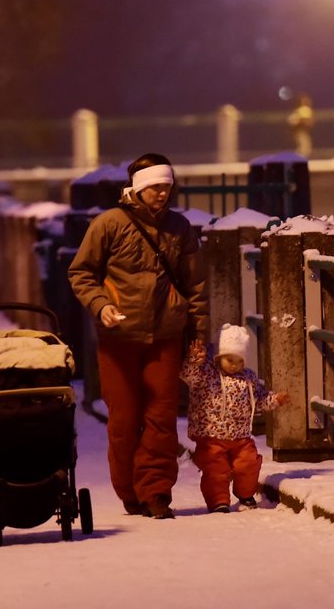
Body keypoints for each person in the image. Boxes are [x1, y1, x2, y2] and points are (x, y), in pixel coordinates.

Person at [68, 152, 208, 519]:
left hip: (165, 334)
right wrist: (100, 305)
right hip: (119, 338)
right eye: (156, 188)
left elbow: (196, 286)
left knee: (161, 418)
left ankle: (156, 491)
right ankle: (129, 490)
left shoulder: (180, 228)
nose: (163, 194)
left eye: (167, 187)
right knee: (124, 419)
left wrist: (197, 336)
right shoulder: (108, 224)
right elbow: (80, 273)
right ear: (139, 188)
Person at [180, 323, 289, 513]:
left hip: (241, 436)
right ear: (219, 357)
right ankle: (218, 501)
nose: (234, 365)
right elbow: (188, 375)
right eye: (229, 359)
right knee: (215, 469)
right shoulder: (207, 373)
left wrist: (275, 400)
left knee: (248, 463)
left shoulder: (248, 378)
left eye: (239, 361)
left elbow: (260, 397)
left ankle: (245, 494)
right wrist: (194, 361)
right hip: (211, 436)